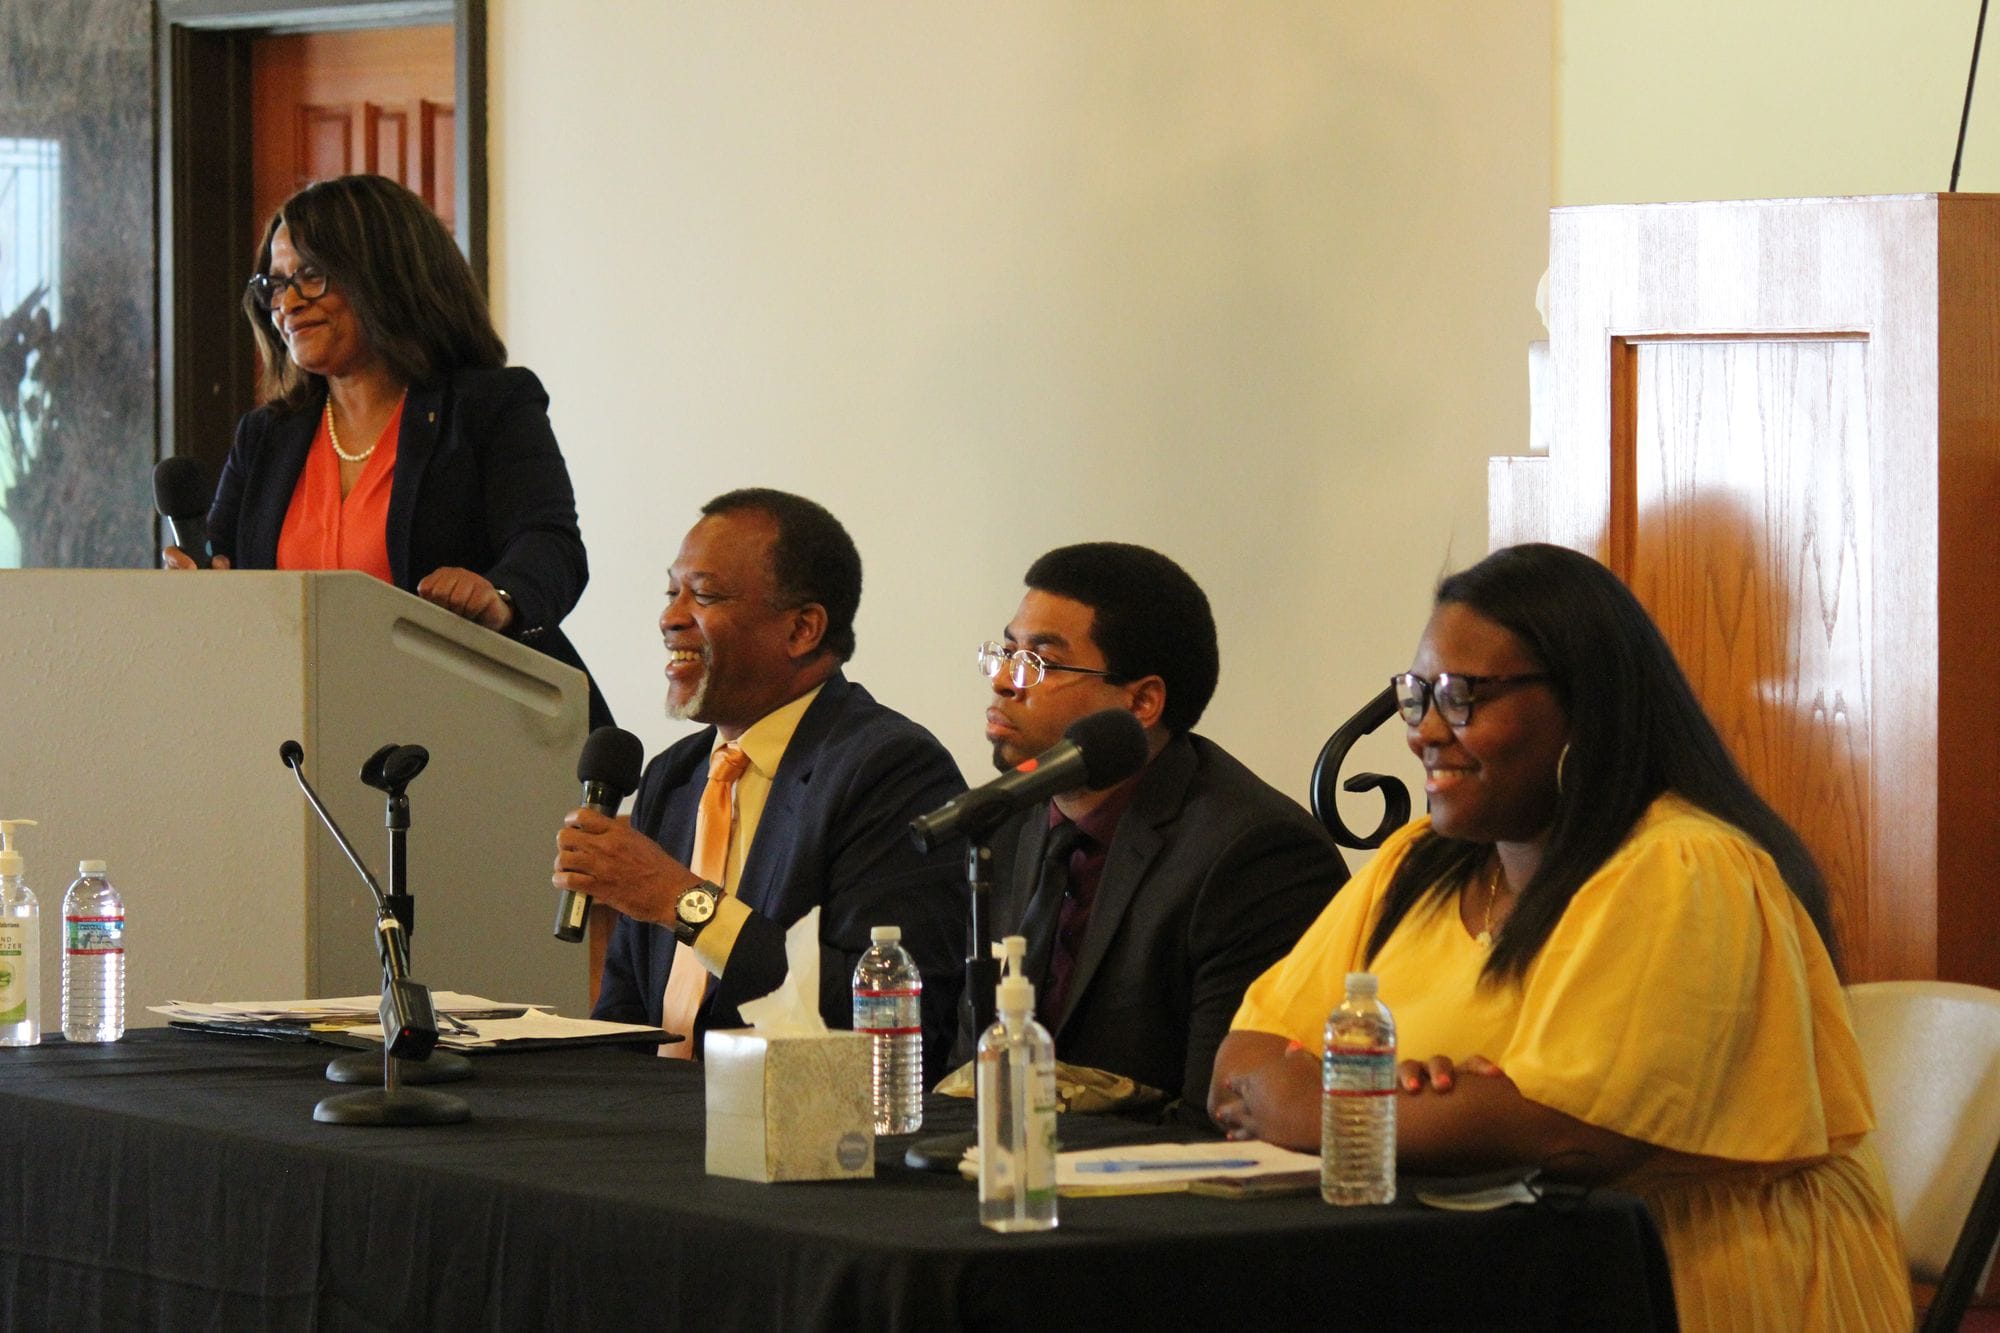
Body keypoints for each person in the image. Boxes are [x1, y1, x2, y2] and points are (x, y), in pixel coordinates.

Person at [1210, 543, 1908, 1327]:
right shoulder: (1413, 866)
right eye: (1419, 695)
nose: (1425, 732)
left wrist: (1327, 1103)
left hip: (1676, 1275)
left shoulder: (1683, 865)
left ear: (1586, 703)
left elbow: (1566, 1130)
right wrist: (1422, 1100)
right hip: (1482, 1261)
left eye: (1464, 696)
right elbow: (1244, 1062)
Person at [165, 174, 610, 729]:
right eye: (276, 284)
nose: (288, 304)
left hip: (475, 727)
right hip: (309, 735)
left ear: (387, 274)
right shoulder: (267, 437)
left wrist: (499, 595)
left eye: (312, 276)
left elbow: (551, 546)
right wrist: (199, 591)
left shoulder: (487, 406)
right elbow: (226, 569)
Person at [555, 489, 968, 1084]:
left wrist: (684, 904)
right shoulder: (673, 777)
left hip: (804, 1142)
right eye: (672, 592)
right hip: (654, 1138)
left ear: (802, 629)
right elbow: (626, 1011)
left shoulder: (890, 770)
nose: (671, 617)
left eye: (705, 595)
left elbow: (879, 1013)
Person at [949, 542, 1347, 1122]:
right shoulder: (1006, 823)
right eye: (1006, 652)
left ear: (1141, 702)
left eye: (1042, 662)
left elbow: (1221, 1111)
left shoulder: (1257, 855)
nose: (1006, 683)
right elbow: (965, 1070)